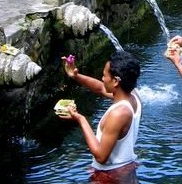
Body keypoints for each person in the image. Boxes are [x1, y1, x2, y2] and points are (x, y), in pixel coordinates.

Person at [60, 51, 142, 184]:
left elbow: (100, 156)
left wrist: (81, 119)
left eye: (104, 75)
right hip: (125, 171)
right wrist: (75, 75)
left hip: (111, 176)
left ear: (115, 81)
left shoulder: (119, 114)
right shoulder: (133, 97)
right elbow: (100, 88)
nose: (102, 79)